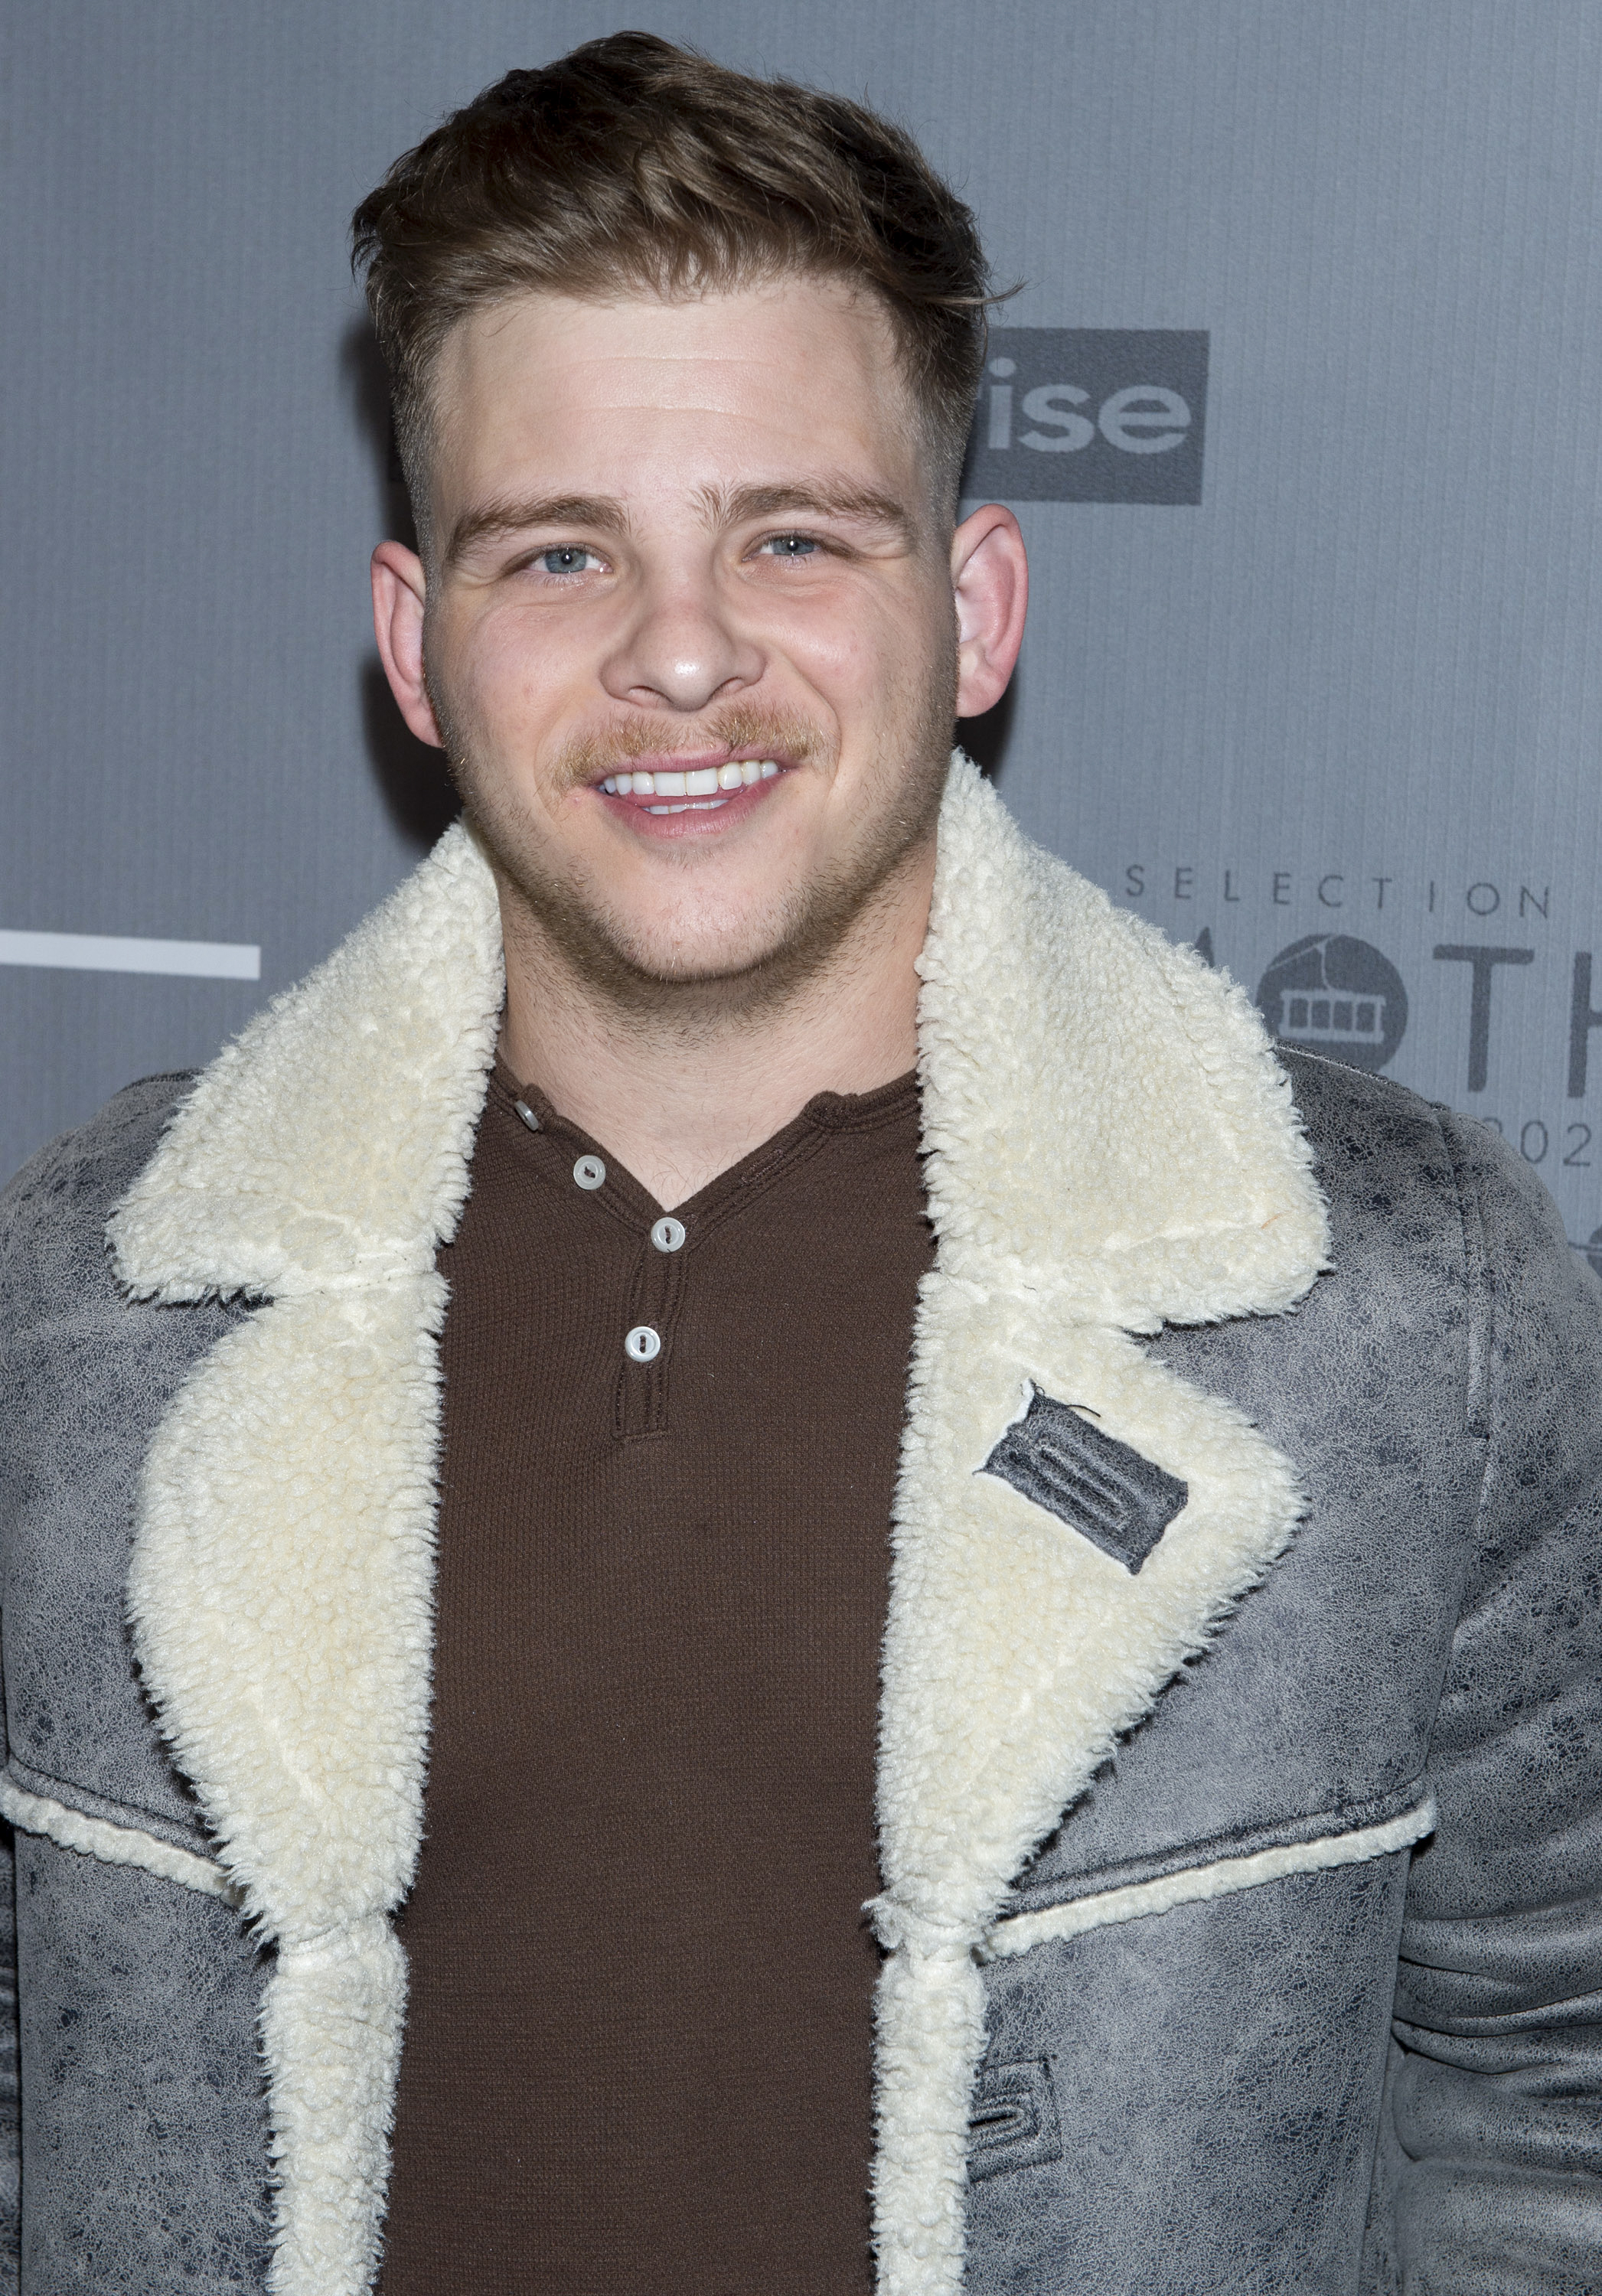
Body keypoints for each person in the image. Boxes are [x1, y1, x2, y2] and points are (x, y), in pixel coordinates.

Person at [2, 28, 1600, 2296]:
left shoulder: (1387, 1308)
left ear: (977, 613)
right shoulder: (93, 1307)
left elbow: (1554, 2091)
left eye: (792, 537)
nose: (680, 654)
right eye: (559, 553)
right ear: (415, 649)